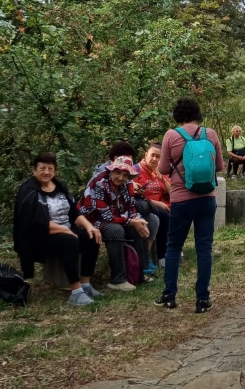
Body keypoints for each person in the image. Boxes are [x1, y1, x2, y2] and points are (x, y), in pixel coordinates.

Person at [156, 98, 224, 313]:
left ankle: (169, 295)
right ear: (197, 113)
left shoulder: (171, 135)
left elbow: (163, 168)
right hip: (206, 199)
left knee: (174, 246)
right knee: (204, 248)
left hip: (181, 200)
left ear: (177, 114)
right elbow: (220, 166)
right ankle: (202, 299)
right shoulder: (210, 134)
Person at [13, 152, 102, 306]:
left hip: (64, 229)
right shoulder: (29, 191)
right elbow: (35, 223)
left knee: (92, 236)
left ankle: (85, 284)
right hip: (39, 236)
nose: (46, 172)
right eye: (42, 168)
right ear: (34, 171)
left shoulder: (60, 187)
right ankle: (76, 292)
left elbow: (73, 212)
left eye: (50, 168)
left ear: (55, 171)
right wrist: (65, 230)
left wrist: (89, 226)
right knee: (69, 240)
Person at [78, 156, 157, 292]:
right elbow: (105, 215)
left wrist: (138, 220)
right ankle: (118, 279)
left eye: (125, 175)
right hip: (90, 220)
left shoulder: (127, 185)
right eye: (118, 173)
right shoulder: (99, 183)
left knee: (139, 228)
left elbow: (130, 208)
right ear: (111, 171)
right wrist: (131, 221)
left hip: (115, 218)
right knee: (116, 230)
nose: (121, 177)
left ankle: (140, 273)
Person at [136, 142, 171, 271]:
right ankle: (162, 256)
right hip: (144, 206)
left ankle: (174, 250)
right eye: (152, 155)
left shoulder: (161, 171)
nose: (154, 159)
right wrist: (156, 204)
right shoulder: (136, 170)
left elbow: (171, 192)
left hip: (162, 205)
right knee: (163, 215)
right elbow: (134, 196)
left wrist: (162, 180)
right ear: (146, 155)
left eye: (158, 157)